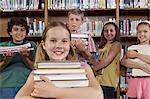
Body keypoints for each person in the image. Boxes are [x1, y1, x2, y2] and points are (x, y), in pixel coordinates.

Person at [15, 21, 103, 99]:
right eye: (53, 40)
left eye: (64, 41)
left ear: (69, 44)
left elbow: (98, 95)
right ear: (44, 44)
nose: (58, 45)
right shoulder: (37, 73)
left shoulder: (83, 68)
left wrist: (53, 92)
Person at [0, 17, 37, 99]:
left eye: (22, 30)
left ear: (26, 32)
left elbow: (35, 67)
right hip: (5, 84)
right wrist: (7, 60)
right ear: (10, 32)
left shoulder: (32, 45)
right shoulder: (2, 46)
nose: (19, 32)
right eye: (16, 29)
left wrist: (25, 58)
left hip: (27, 84)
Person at [89, 22, 121, 98]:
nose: (108, 33)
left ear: (116, 32)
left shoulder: (116, 44)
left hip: (108, 82)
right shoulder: (101, 46)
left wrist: (93, 70)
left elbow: (108, 60)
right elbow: (95, 60)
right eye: (106, 31)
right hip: (97, 80)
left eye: (111, 30)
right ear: (103, 33)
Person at [121, 22, 150, 99]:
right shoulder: (132, 48)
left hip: (148, 82)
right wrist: (143, 66)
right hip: (134, 80)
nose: (142, 34)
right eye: (139, 32)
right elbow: (124, 62)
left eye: (145, 31)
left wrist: (137, 55)